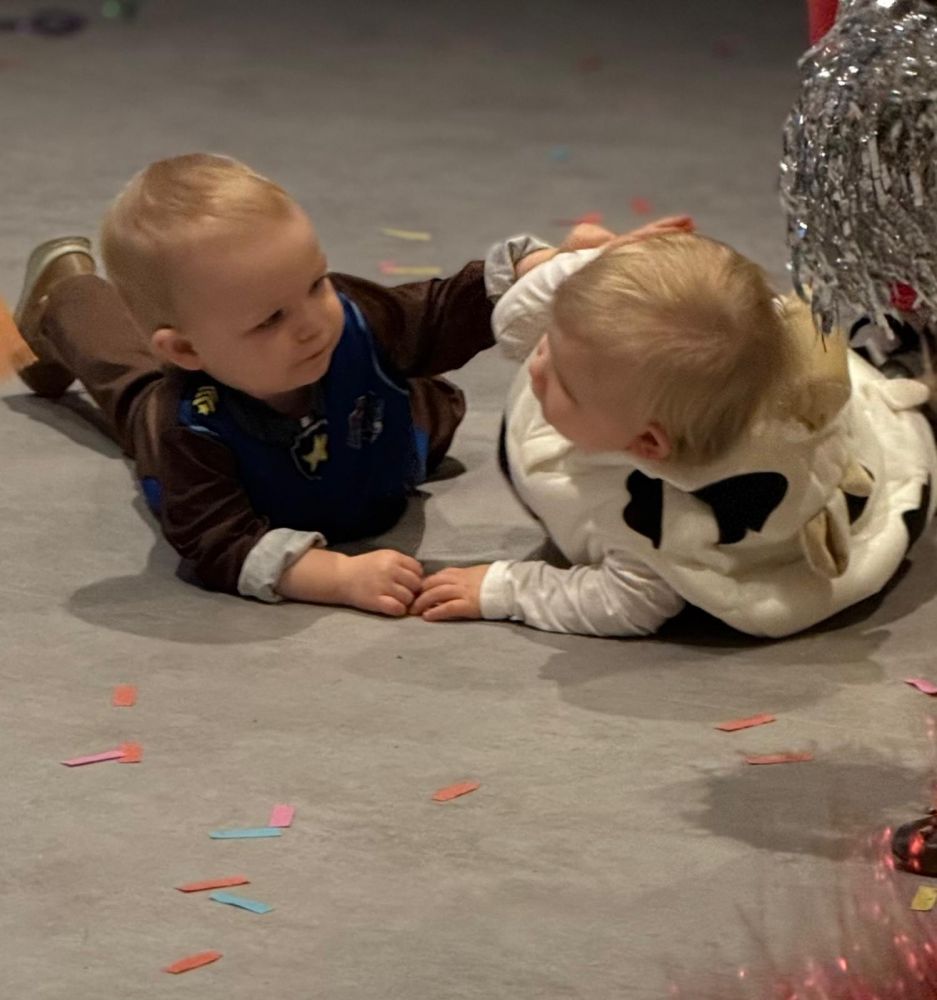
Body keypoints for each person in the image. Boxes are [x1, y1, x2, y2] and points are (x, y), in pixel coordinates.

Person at [8, 152, 599, 615]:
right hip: (243, 447)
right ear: (188, 350)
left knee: (411, 378)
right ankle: (66, 295)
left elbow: (444, 310)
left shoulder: (349, 318)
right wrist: (335, 575)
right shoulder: (188, 426)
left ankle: (382, 405)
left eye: (315, 283)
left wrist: (536, 273)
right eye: (271, 319)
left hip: (367, 434)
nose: (313, 323)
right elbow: (217, 542)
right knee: (131, 382)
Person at [413, 231, 937, 638]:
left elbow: (626, 605)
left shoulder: (664, 522)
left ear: (647, 446)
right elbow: (565, 303)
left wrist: (508, 589)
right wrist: (571, 263)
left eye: (564, 385)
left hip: (831, 482)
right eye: (548, 341)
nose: (536, 365)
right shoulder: (620, 353)